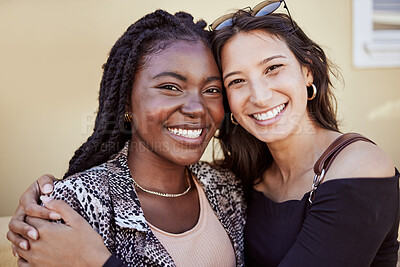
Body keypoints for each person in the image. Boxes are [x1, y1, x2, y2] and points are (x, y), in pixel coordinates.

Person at [8, 1, 400, 266]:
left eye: (273, 68)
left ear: (308, 71)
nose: (260, 95)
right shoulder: (246, 177)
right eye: (235, 81)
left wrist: (100, 263)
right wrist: (50, 194)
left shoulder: (356, 168)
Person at [7, 9, 246, 267]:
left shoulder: (227, 186)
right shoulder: (74, 206)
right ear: (126, 102)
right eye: (170, 87)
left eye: (212, 90)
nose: (197, 108)